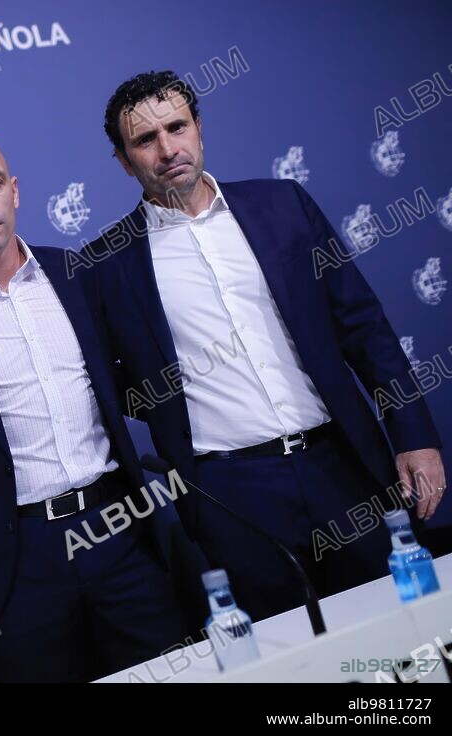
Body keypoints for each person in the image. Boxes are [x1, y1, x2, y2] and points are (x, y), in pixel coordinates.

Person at [85, 71, 446, 621]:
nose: (167, 149)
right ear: (123, 160)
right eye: (144, 140)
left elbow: (363, 327)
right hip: (231, 495)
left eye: (176, 127)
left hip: (341, 464)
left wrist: (413, 436)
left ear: (199, 129)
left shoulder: (282, 206)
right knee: (289, 664)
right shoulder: (106, 263)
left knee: (402, 635)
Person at [0, 135, 185, 682]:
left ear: (15, 191)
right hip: (12, 564)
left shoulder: (76, 273)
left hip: (120, 531)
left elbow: (135, 380)